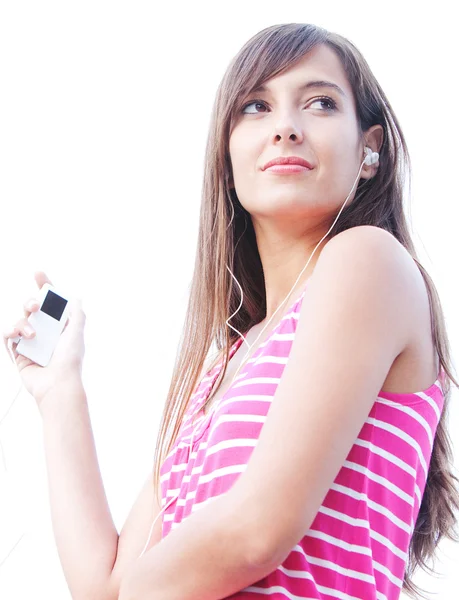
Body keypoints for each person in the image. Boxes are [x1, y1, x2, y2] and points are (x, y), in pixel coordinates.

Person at [3, 22, 459, 600]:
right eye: (255, 106)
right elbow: (105, 587)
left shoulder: (366, 259)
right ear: (227, 150)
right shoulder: (228, 364)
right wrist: (60, 392)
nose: (286, 128)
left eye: (320, 102)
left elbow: (254, 534)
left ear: (369, 149)